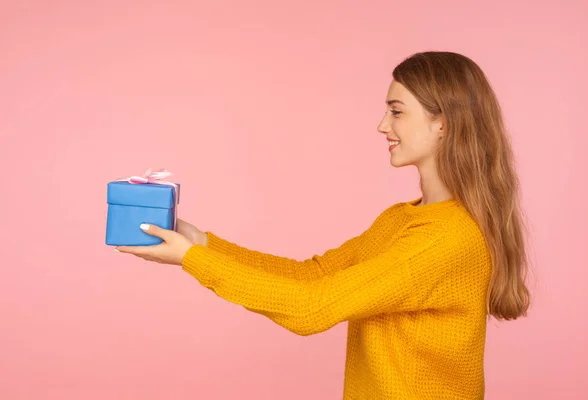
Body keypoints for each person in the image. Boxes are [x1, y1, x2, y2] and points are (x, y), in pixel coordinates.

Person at [116, 51, 531, 399]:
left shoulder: (445, 239)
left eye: (397, 111)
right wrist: (200, 242)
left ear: (444, 123)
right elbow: (313, 275)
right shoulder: (403, 219)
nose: (382, 125)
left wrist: (193, 260)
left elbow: (311, 309)